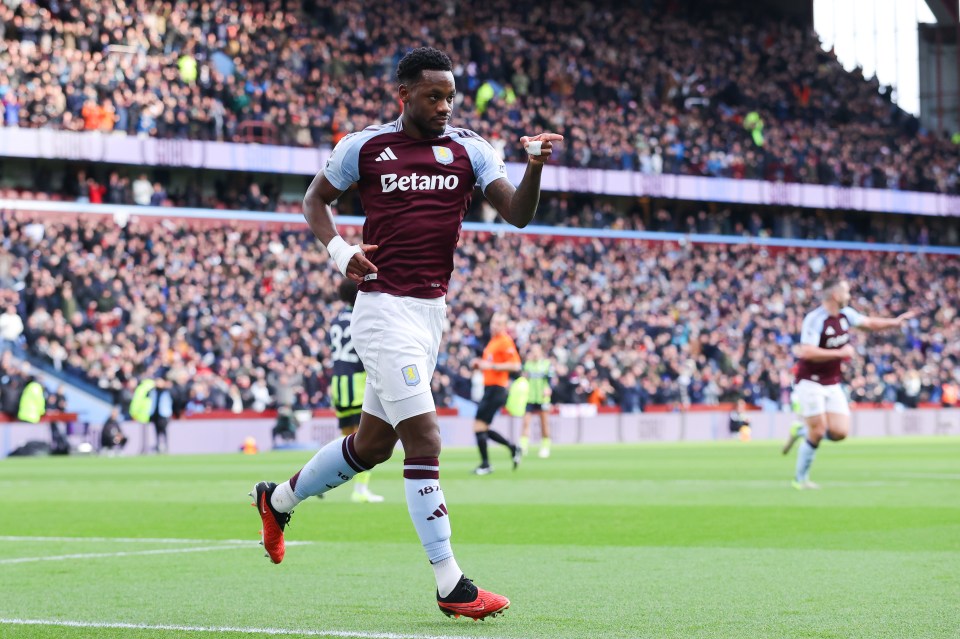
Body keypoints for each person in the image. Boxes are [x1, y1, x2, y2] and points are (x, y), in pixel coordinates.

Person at [250, 46, 562, 620]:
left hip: (429, 316)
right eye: (433, 96)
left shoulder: (471, 149)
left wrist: (537, 164)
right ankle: (451, 584)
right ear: (405, 96)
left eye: (450, 96)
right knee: (426, 442)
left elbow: (517, 213)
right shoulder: (366, 147)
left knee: (372, 447)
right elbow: (315, 200)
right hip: (381, 310)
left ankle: (278, 499)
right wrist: (341, 250)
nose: (444, 106)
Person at [783, 278, 915, 489]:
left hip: (832, 382)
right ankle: (800, 480)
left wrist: (894, 322)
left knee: (840, 433)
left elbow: (869, 323)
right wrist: (840, 353)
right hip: (810, 381)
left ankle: (801, 430)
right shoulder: (815, 319)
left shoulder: (846, 314)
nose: (849, 296)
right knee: (818, 432)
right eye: (846, 292)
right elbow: (806, 351)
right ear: (835, 295)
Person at [329, 279, 383, 503]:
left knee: (345, 437)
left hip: (338, 383)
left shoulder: (335, 320)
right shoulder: (360, 316)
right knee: (365, 439)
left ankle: (324, 478)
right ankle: (360, 490)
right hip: (358, 382)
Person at [470, 312, 523, 474]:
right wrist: (481, 365)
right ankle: (513, 448)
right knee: (482, 427)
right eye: (494, 322)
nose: (495, 325)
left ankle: (486, 464)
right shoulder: (493, 341)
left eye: (499, 323)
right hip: (490, 388)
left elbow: (516, 366)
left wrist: (490, 366)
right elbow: (490, 363)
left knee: (479, 426)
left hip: (497, 389)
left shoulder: (505, 341)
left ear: (505, 326)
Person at [519, 343, 553, 458]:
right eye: (532, 351)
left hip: (542, 398)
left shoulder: (546, 364)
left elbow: (551, 381)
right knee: (526, 422)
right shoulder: (527, 365)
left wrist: (549, 388)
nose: (534, 353)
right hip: (529, 397)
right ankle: (523, 446)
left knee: (544, 423)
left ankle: (545, 446)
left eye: (536, 351)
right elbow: (523, 379)